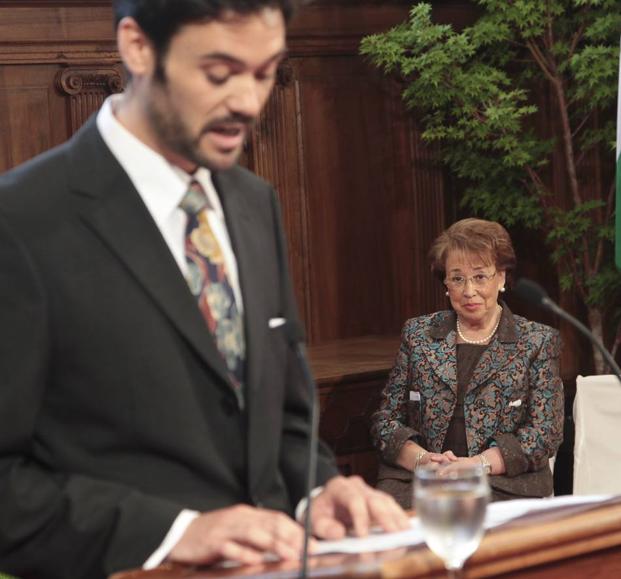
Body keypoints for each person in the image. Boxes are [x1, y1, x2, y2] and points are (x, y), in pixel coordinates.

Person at [0, 1, 408, 577]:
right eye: (219, 74)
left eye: (264, 73)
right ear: (139, 47)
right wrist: (175, 533)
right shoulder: (20, 222)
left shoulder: (253, 203)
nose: (247, 101)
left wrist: (316, 490)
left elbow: (283, 419)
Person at [371, 218, 564, 508]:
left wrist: (478, 465)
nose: (469, 290)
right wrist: (424, 461)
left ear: (501, 278)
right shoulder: (419, 334)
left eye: (480, 277)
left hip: (501, 483)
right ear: (446, 284)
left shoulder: (536, 341)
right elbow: (385, 422)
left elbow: (545, 432)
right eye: (457, 278)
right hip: (420, 482)